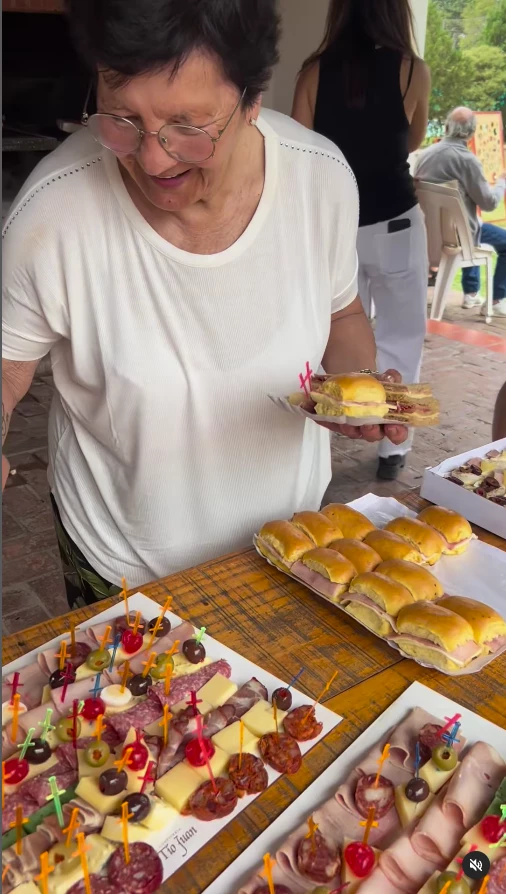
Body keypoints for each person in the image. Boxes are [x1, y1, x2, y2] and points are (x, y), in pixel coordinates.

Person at [2, 0, 408, 608]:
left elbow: (342, 315)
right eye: (122, 119)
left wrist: (353, 387)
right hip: (120, 562)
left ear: (252, 99)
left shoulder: (320, 180)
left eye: (188, 127)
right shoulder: (53, 212)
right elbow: (7, 367)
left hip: (289, 546)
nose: (153, 158)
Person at [292, 0, 431, 482]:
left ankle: (327, 436)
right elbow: (412, 139)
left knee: (333, 333)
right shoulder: (412, 70)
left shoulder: (312, 73)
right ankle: (395, 444)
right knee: (401, 337)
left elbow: (301, 153)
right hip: (395, 219)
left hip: (337, 226)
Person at [415, 107, 506, 315]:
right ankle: (496, 299)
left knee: (466, 221)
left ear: (447, 127)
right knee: (474, 228)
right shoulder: (468, 161)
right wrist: (501, 183)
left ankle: (471, 293)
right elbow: (489, 203)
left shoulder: (425, 155)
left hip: (427, 236)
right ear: (472, 132)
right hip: (457, 239)